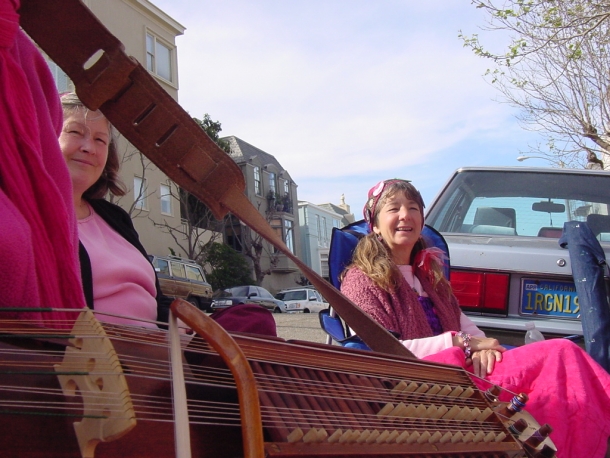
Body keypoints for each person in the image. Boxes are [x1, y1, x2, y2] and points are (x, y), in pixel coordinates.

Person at [341, 178, 610, 458]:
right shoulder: (362, 280)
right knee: (560, 354)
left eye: (413, 208)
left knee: (562, 368)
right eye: (393, 208)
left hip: (467, 373)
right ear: (374, 224)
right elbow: (380, 352)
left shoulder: (429, 276)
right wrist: (462, 343)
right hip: (425, 383)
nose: (405, 215)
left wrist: (484, 347)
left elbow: (467, 327)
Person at [59, 92, 172, 328]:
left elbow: (157, 300)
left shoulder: (115, 217)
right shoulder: (28, 215)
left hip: (158, 346)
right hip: (93, 348)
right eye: (75, 132)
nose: (89, 147)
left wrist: (181, 326)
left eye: (100, 140)